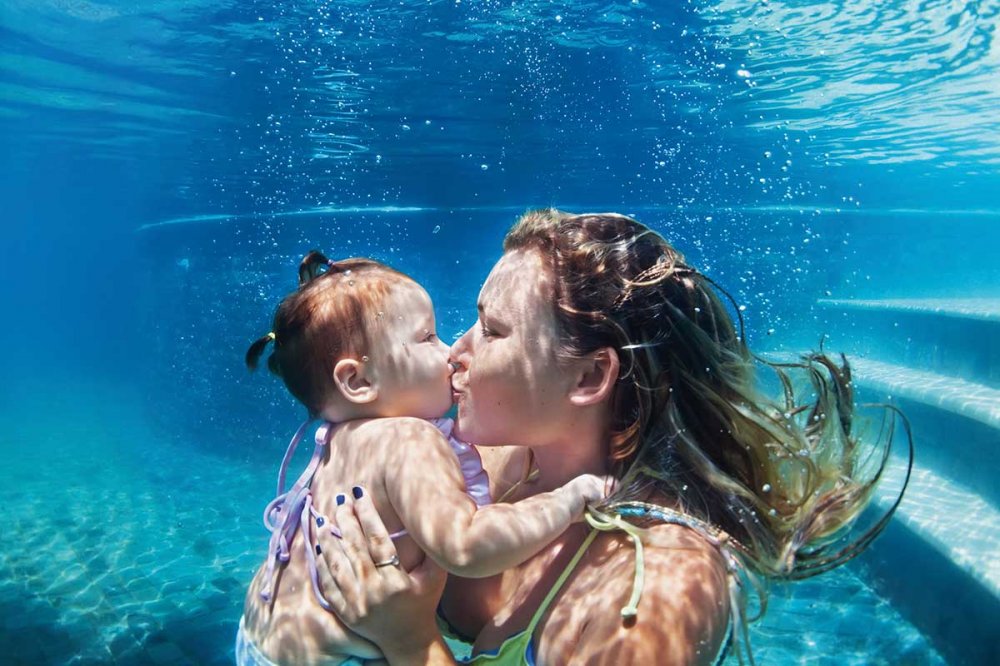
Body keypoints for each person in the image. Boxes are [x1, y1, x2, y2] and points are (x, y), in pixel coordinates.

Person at [311, 209, 909, 665]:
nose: (457, 354)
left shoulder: (655, 590)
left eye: (491, 331)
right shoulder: (498, 461)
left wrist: (410, 642)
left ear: (589, 376)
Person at [238, 251, 608, 665]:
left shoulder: (336, 439)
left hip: (265, 639)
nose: (450, 351)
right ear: (358, 381)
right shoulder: (408, 439)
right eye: (427, 338)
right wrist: (568, 501)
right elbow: (466, 545)